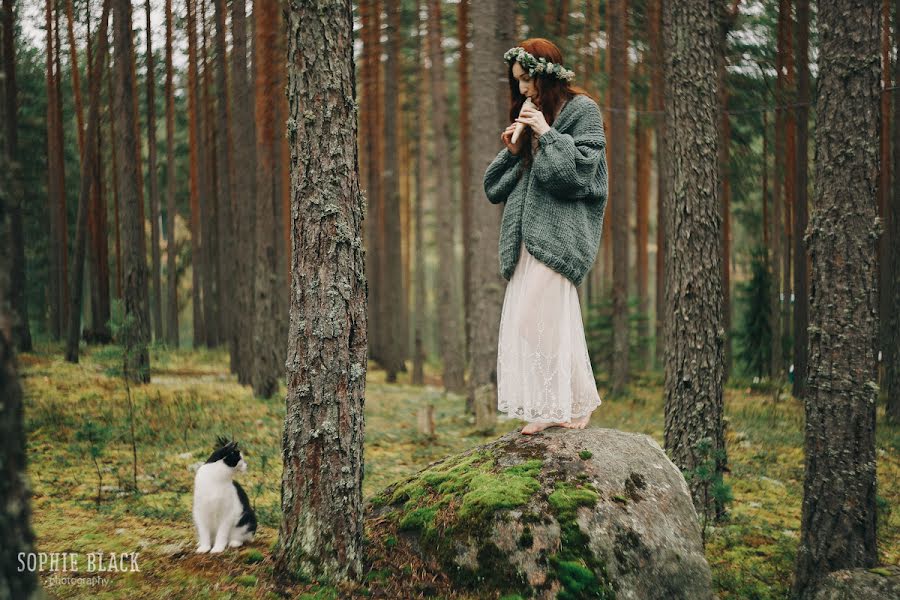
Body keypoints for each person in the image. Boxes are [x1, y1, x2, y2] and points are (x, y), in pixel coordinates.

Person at [483, 38, 609, 435]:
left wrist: (545, 133)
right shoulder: (533, 111)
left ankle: (557, 405)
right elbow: (493, 187)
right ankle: (571, 403)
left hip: (560, 237)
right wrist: (516, 147)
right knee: (541, 320)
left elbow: (576, 177)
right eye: (517, 82)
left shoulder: (583, 111)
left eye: (527, 80)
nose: (522, 90)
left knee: (537, 318)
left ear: (546, 75)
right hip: (527, 237)